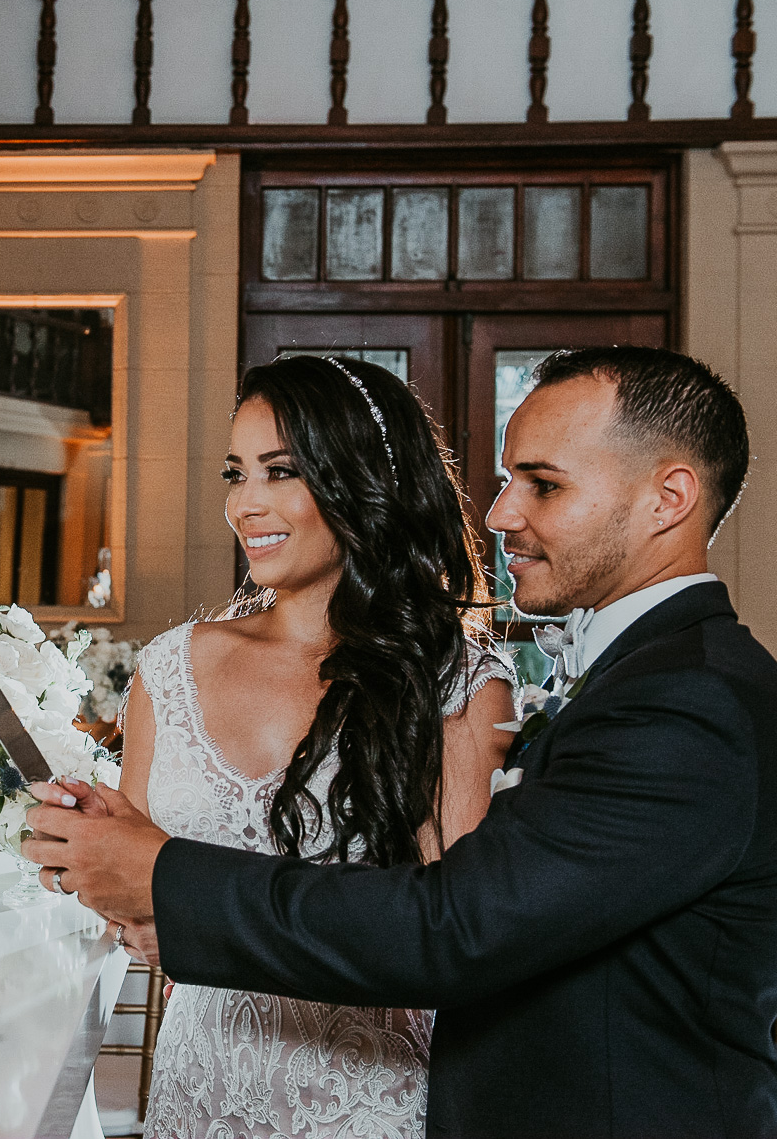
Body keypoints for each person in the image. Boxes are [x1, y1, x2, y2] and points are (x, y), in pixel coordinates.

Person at [26, 346, 777, 1139]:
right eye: (508, 479)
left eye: (543, 485)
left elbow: (453, 928)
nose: (499, 515)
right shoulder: (656, 674)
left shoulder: (689, 702)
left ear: (669, 498)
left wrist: (165, 877)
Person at [105, 354, 515, 1138]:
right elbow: (134, 891)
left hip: (368, 1105)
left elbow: (459, 942)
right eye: (236, 474)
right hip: (201, 1091)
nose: (245, 504)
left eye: (281, 472)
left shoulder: (457, 687)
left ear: (363, 481)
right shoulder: (169, 669)